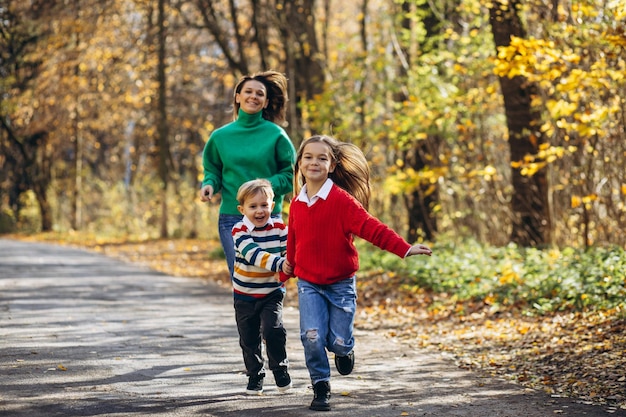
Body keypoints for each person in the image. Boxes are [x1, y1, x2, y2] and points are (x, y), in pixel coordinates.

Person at [280, 135, 433, 411]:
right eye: (308, 157)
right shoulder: (297, 203)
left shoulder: (342, 201)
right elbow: (294, 238)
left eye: (322, 158)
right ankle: (321, 386)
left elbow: (372, 228)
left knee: (337, 340)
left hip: (340, 283)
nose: (314, 162)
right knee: (311, 335)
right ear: (300, 163)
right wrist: (288, 267)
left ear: (333, 165)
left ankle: (344, 349)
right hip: (309, 282)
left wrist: (405, 249)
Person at [199, 70, 296, 280]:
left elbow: (292, 176)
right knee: (241, 278)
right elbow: (213, 170)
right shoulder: (220, 136)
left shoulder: (276, 135)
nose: (254, 96)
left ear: (266, 102)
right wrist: (209, 185)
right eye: (248, 91)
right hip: (232, 217)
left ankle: (271, 314)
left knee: (271, 277)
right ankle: (245, 315)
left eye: (259, 93)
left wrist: (262, 188)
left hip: (269, 218)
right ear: (237, 97)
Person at [231, 178, 293, 395]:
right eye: (253, 206)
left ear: (273, 205)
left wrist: (291, 264)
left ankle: (280, 369)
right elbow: (253, 254)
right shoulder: (239, 230)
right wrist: (280, 264)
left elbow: (289, 252)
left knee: (273, 329)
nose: (259, 211)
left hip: (271, 292)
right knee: (249, 338)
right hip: (245, 295)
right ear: (242, 209)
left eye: (264, 205)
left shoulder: (279, 228)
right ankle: (255, 374)